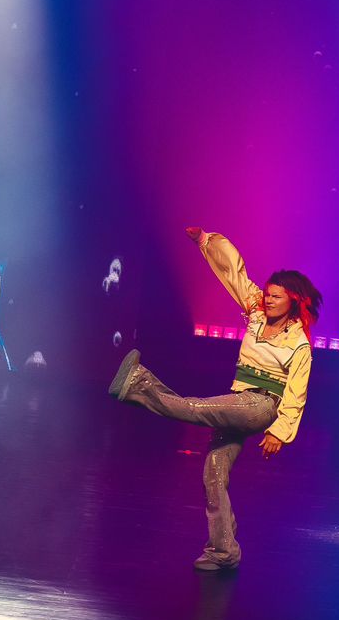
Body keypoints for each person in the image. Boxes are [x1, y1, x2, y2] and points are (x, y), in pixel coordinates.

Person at [109, 227, 320, 570]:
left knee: (194, 407)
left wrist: (280, 432)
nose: (268, 300)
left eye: (276, 297)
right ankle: (223, 551)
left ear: (293, 301)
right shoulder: (256, 311)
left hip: (260, 406)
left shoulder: (298, 344)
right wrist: (207, 242)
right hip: (239, 400)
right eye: (268, 294)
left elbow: (297, 391)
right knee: (214, 473)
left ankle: (138, 384)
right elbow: (235, 273)